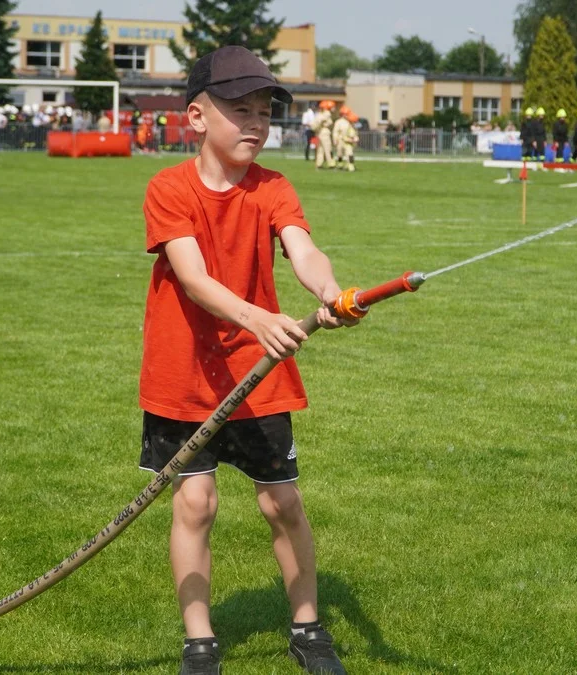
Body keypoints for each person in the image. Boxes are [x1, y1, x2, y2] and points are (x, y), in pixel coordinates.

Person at [141, 45, 356, 675]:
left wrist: (326, 290)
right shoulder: (168, 188)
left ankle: (309, 629)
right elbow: (194, 278)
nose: (257, 124)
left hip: (258, 375)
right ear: (198, 117)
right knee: (195, 503)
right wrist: (260, 317)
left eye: (265, 111)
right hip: (184, 373)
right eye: (241, 110)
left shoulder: (273, 187)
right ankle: (200, 641)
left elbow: (304, 249)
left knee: (281, 503)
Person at [311, 99, 335, 169]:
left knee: (320, 149)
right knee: (328, 148)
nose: (334, 108)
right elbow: (321, 121)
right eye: (332, 107)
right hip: (325, 133)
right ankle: (331, 164)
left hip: (319, 133)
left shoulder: (320, 114)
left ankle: (319, 164)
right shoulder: (327, 114)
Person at [332, 107, 357, 172]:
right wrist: (335, 139)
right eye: (346, 114)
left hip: (348, 141)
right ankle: (340, 164)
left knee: (349, 153)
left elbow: (353, 131)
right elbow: (335, 131)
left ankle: (351, 165)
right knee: (339, 153)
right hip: (340, 140)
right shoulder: (338, 122)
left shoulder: (350, 121)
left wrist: (355, 138)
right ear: (342, 114)